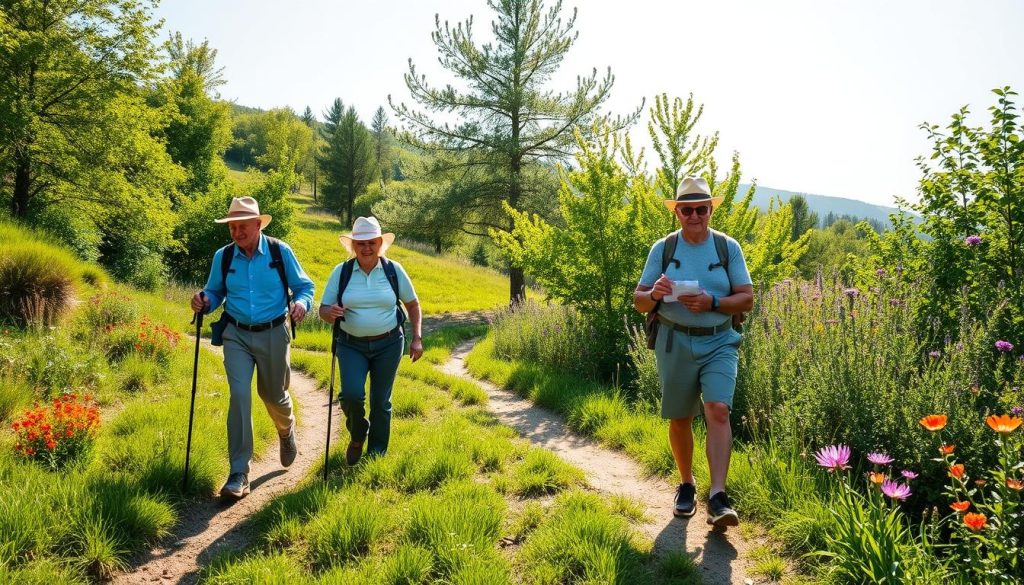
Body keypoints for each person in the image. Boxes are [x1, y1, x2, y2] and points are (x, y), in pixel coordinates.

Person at [634, 176, 754, 528]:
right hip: (674, 340)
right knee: (680, 417)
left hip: (719, 340)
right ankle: (686, 484)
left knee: (717, 409)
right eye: (687, 209)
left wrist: (713, 302)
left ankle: (718, 496)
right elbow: (639, 302)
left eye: (702, 208)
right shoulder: (664, 249)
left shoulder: (727, 247)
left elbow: (746, 298)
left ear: (710, 209)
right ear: (678, 213)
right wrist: (655, 293)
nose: (695, 215)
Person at [190, 196, 315, 499]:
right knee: (240, 395)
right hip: (236, 334)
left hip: (273, 331)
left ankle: (286, 430)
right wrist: (204, 301)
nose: (237, 232)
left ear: (258, 224)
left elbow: (304, 286)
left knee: (273, 394)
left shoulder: (278, 251)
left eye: (242, 225)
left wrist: (301, 303)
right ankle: (238, 472)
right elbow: (215, 291)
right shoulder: (224, 256)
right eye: (232, 226)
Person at [318, 216, 423, 466]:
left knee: (380, 401)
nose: (366, 248)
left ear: (380, 243)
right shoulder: (341, 272)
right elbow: (323, 309)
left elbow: (412, 304)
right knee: (351, 395)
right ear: (353, 246)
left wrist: (417, 338)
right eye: (361, 243)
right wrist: (329, 313)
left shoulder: (393, 270)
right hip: (350, 344)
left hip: (388, 343)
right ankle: (357, 433)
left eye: (372, 242)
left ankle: (376, 455)